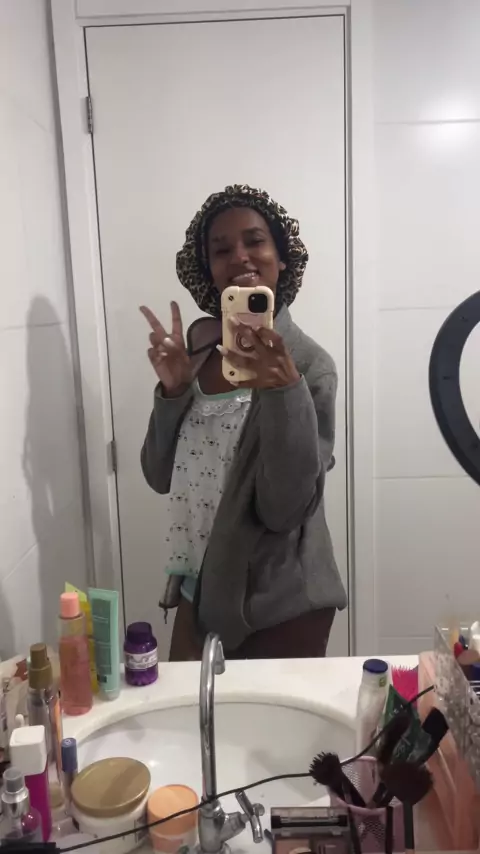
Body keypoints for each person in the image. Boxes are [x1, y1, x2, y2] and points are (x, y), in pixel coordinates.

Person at [140, 184, 347, 660]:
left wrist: (284, 389)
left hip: (280, 606)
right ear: (208, 268)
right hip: (198, 592)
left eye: (254, 241)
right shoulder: (195, 356)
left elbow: (283, 510)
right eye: (221, 249)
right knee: (186, 710)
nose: (239, 257)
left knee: (268, 716)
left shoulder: (310, 367)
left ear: (281, 257)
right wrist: (172, 392)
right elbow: (158, 475)